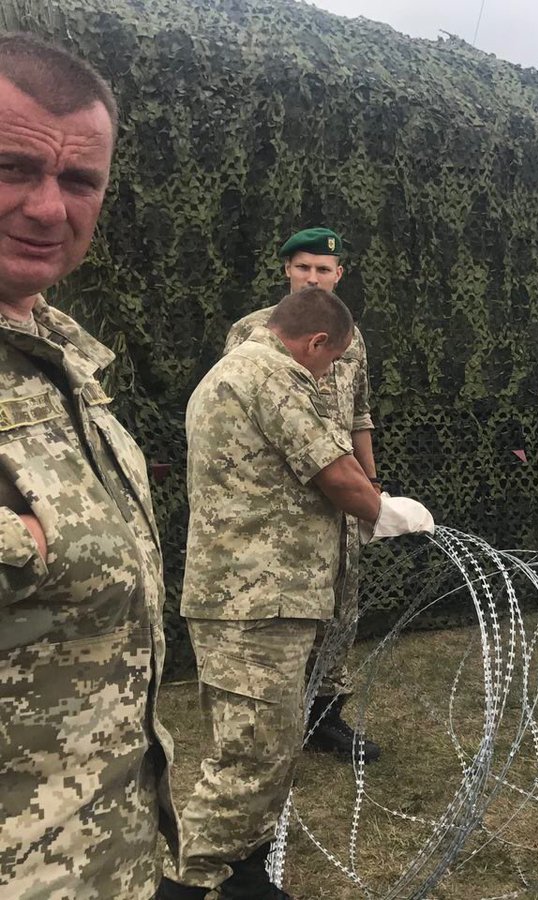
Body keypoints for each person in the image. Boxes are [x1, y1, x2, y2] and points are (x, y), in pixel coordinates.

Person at [158, 287, 433, 900]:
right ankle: (183, 884)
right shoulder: (271, 374)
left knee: (271, 748)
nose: (331, 372)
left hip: (262, 595)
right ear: (314, 343)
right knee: (247, 759)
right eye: (332, 361)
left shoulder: (240, 369)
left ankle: (244, 875)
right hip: (253, 601)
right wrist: (388, 514)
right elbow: (336, 472)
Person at [0, 33, 177, 897]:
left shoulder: (64, 358)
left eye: (78, 181)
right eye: (10, 167)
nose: (46, 209)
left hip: (106, 854)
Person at [225, 227, 383, 762]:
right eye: (303, 267)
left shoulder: (350, 336)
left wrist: (371, 483)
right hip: (284, 500)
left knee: (342, 608)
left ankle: (326, 718)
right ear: (287, 271)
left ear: (340, 275)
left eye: (323, 269)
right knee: (284, 611)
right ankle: (273, 722)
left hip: (343, 495)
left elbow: (360, 413)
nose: (312, 277)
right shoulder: (253, 333)